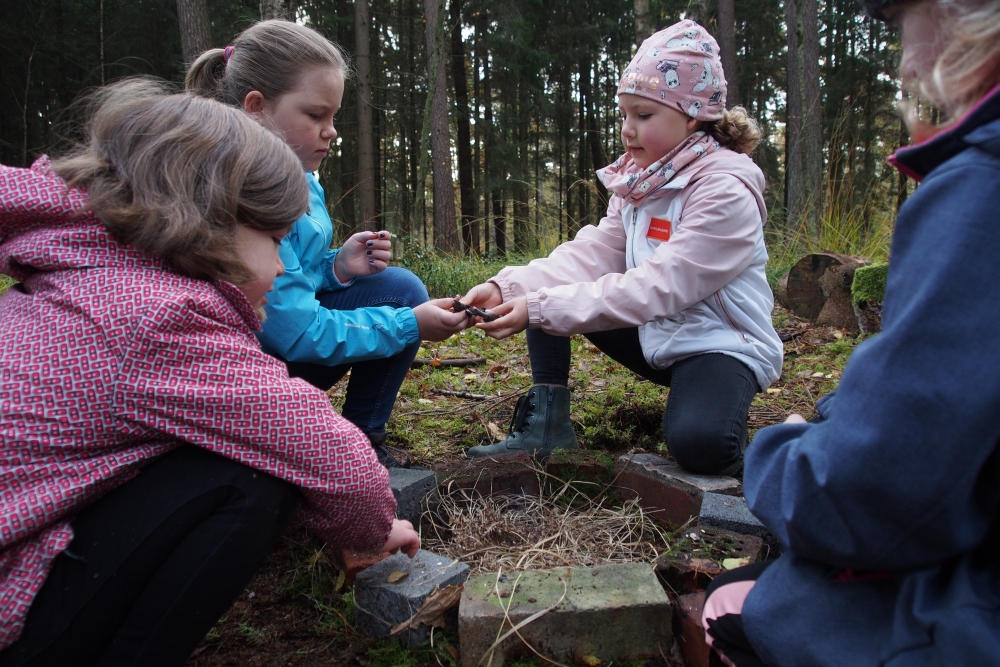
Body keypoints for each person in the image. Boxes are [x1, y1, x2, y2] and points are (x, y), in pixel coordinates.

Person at [0, 80, 428, 667]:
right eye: (276, 240)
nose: (281, 265)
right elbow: (320, 446)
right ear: (210, 222)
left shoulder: (89, 272)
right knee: (247, 478)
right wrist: (372, 531)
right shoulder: (160, 317)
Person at [699, 1, 1000, 665]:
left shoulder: (981, 193)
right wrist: (526, 288)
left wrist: (780, 456)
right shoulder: (635, 184)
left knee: (734, 598)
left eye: (906, 22)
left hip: (972, 622)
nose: (910, 63)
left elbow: (873, 491)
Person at [460, 20, 782, 474]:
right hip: (656, 332)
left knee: (703, 446)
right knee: (548, 294)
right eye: (624, 115)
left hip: (719, 344)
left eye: (644, 116)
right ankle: (548, 425)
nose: (628, 131)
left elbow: (662, 284)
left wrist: (541, 307)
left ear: (693, 115)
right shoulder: (642, 179)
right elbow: (594, 254)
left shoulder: (724, 189)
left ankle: (790, 449)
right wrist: (506, 288)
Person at [186, 21, 468, 467]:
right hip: (248, 374)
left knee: (399, 287)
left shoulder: (300, 177)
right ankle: (334, 453)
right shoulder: (234, 194)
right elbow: (295, 332)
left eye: (334, 116)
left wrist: (338, 268)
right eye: (316, 115)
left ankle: (362, 438)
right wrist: (409, 326)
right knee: (404, 306)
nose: (332, 130)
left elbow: (290, 278)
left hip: (279, 343)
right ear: (256, 107)